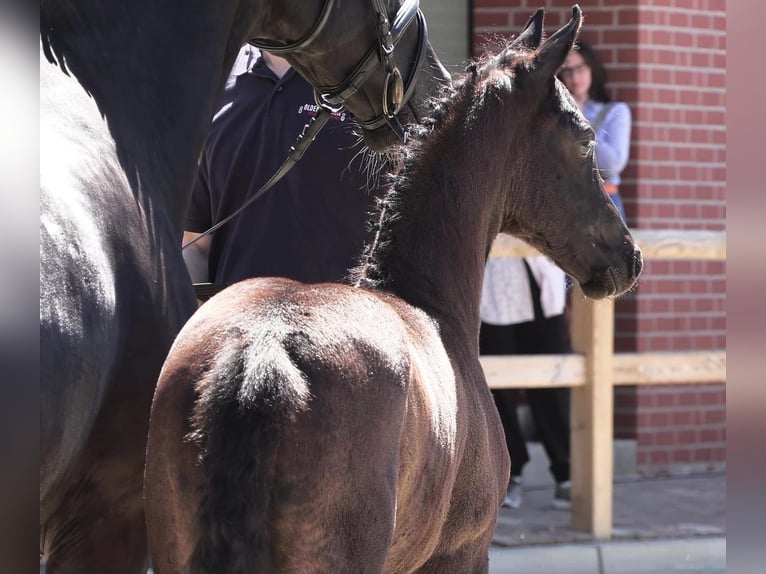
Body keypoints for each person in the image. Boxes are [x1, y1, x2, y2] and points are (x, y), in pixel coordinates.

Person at [183, 45, 384, 289]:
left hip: (341, 319)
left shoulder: (368, 75)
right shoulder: (219, 77)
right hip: (235, 320)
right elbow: (197, 244)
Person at [480, 255, 572, 510]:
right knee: (499, 389)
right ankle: (510, 475)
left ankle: (566, 473)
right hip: (493, 283)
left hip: (542, 276)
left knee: (552, 384)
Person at [558, 40, 631, 221]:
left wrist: (580, 123)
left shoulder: (614, 111)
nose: (575, 78)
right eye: (568, 72)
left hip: (603, 201)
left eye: (580, 69)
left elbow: (612, 164)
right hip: (562, 202)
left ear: (591, 68)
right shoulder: (555, 116)